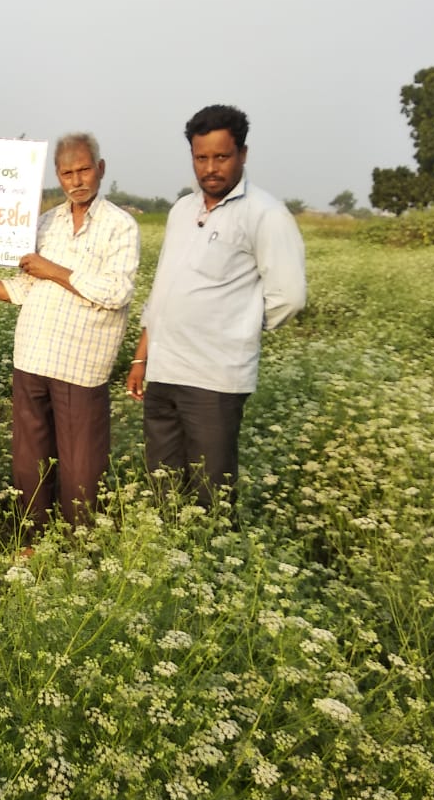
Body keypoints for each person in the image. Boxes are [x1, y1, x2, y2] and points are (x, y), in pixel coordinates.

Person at [0, 132, 139, 528]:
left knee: (81, 463)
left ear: (101, 169)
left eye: (84, 169)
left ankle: (77, 543)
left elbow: (116, 291)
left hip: (80, 364)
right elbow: (20, 288)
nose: (77, 180)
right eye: (67, 172)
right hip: (32, 355)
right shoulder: (45, 223)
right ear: (58, 176)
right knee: (28, 458)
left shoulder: (119, 226)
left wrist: (52, 270)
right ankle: (33, 534)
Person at [126, 104, 307, 507]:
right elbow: (163, 291)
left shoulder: (266, 214)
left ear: (243, 154)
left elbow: (290, 297)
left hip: (215, 379)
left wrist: (236, 328)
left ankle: (206, 561)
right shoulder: (181, 210)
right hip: (165, 371)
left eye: (221, 157)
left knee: (211, 492)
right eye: (201, 157)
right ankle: (168, 556)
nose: (211, 168)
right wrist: (141, 359)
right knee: (163, 484)